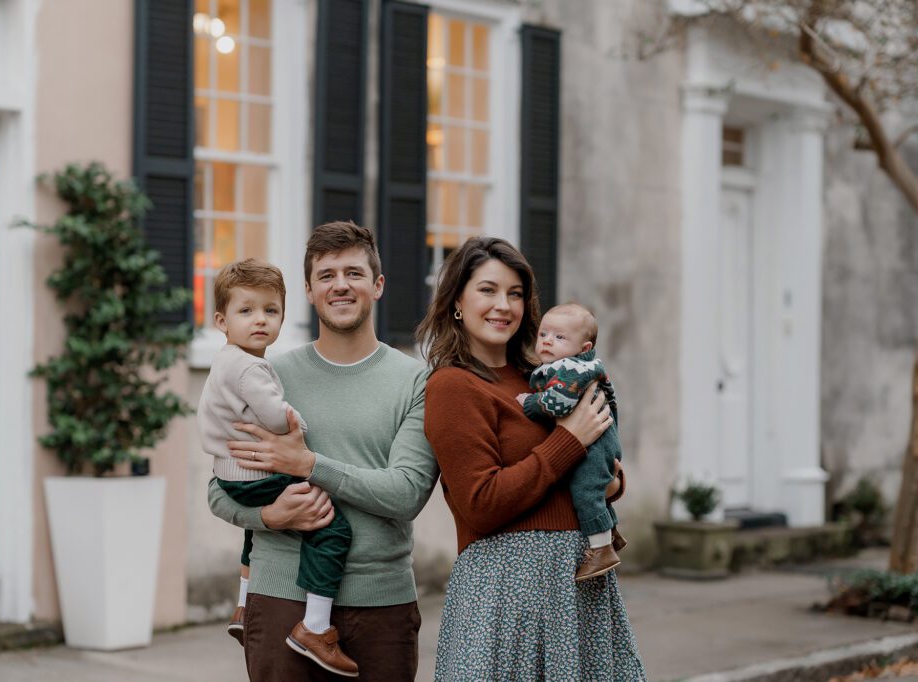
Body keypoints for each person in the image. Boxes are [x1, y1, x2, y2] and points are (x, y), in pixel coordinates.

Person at [206, 221, 439, 681]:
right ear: (309, 291)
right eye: (326, 275)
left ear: (378, 285)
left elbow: (407, 494)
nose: (341, 286)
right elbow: (219, 489)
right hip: (280, 597)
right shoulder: (267, 376)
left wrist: (308, 464)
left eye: (353, 273)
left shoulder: (415, 380)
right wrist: (270, 517)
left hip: (382, 603)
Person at [417, 237, 647, 680]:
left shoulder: (546, 380)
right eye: (488, 290)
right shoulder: (453, 387)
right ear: (458, 302)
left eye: (515, 293)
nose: (504, 305)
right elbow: (481, 505)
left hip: (580, 588)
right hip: (507, 592)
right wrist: (568, 441)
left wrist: (612, 484)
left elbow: (598, 460)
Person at [197, 259, 358, 676]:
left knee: (256, 529)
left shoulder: (226, 360)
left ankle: (243, 602)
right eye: (246, 311)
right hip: (253, 476)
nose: (260, 321)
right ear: (221, 319)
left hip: (232, 475)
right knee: (331, 528)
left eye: (271, 311)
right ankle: (317, 627)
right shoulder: (251, 367)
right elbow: (276, 419)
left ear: (284, 317)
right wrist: (299, 424)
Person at [515, 302, 627, 581]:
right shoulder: (560, 366)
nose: (548, 341)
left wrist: (529, 403)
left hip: (596, 443)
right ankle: (611, 534)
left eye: (560, 337)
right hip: (596, 438)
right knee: (591, 487)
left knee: (586, 490)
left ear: (584, 346)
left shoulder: (572, 369)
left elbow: (559, 404)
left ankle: (601, 551)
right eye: (544, 334)